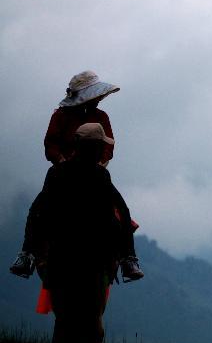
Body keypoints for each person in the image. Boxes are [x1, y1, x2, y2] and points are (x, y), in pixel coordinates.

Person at [10, 71, 143, 281]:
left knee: (121, 212)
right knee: (37, 210)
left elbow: (109, 147)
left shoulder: (101, 117)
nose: (100, 98)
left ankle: (128, 258)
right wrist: (63, 162)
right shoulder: (60, 116)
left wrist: (98, 163)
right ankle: (26, 254)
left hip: (95, 171)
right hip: (62, 171)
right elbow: (50, 145)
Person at [36, 123, 125, 343]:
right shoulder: (101, 176)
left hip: (60, 258)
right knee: (89, 318)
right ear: (95, 148)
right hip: (92, 261)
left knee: (64, 321)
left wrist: (39, 254)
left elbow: (42, 215)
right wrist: (117, 254)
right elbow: (110, 220)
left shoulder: (56, 174)